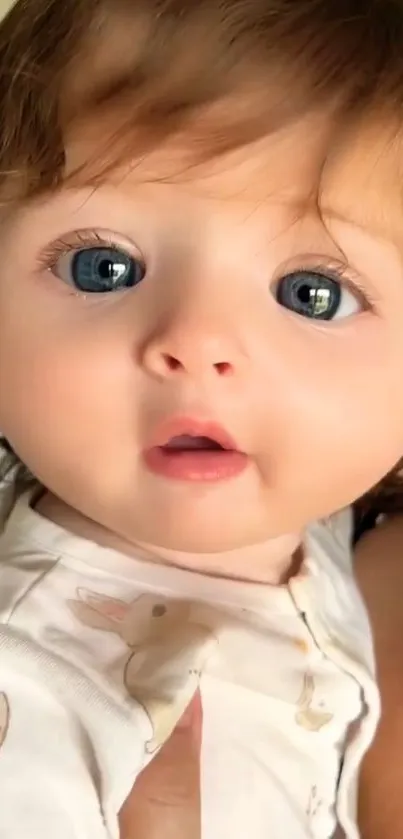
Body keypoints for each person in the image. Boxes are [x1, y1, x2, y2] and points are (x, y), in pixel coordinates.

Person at [1, 0, 403, 837]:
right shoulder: (30, 708)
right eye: (102, 265)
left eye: (312, 294)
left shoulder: (307, 517)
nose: (196, 343)